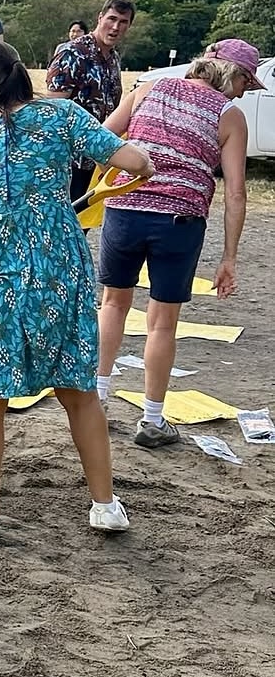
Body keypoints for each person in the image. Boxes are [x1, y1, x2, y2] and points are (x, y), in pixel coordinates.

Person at [0, 41, 153, 546]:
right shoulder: (63, 116)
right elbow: (136, 161)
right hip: (59, 268)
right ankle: (104, 505)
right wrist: (136, 164)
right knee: (78, 390)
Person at [96, 40, 259, 449]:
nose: (242, 92)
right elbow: (236, 193)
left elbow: (99, 139)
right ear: (232, 74)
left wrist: (108, 181)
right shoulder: (229, 115)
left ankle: (95, 401)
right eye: (244, 82)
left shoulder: (148, 89)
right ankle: (152, 420)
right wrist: (229, 258)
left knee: (113, 303)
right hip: (179, 220)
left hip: (124, 209)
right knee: (162, 321)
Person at [46, 0, 136, 203]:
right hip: (67, 163)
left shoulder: (113, 59)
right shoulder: (73, 53)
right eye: (111, 19)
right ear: (100, 17)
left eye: (123, 22)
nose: (115, 27)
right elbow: (53, 111)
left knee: (80, 229)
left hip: (96, 161)